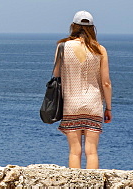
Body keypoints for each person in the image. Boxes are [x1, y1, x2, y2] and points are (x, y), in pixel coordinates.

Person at [53, 10, 112, 169]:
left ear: (73, 26)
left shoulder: (62, 47)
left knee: (74, 151)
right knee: (91, 151)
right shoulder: (100, 49)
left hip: (71, 104)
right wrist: (109, 108)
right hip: (93, 104)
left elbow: (56, 75)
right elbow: (106, 83)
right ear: (92, 28)